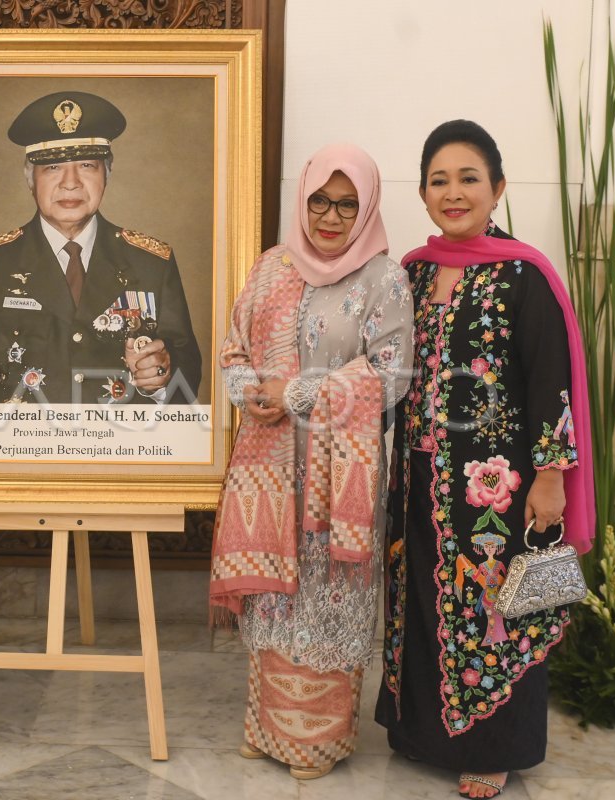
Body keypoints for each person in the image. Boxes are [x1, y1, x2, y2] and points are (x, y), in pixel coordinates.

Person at [374, 120, 596, 798]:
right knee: (418, 601)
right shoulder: (411, 272)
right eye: (438, 180)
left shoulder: (524, 275)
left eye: (469, 178)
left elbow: (550, 379)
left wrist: (551, 478)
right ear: (422, 192)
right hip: (417, 482)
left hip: (493, 488)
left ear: (497, 188)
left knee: (494, 611)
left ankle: (494, 747)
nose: (454, 192)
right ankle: (421, 734)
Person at [209, 144, 412, 780]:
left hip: (338, 476)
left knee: (326, 599)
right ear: (302, 198)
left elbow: (392, 373)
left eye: (347, 205)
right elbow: (234, 350)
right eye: (319, 200)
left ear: (367, 208)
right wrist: (249, 391)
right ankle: (266, 729)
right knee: (275, 602)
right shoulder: (272, 267)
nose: (330, 216)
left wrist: (297, 392)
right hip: (269, 468)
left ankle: (317, 743)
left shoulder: (384, 280)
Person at [0, 90, 202, 405]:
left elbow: (187, 379)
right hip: (13, 437)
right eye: (53, 167)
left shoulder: (152, 265)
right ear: (30, 178)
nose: (70, 183)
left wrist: (161, 379)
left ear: (107, 174)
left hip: (123, 437)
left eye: (86, 165)